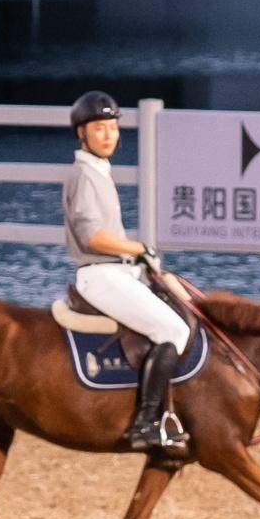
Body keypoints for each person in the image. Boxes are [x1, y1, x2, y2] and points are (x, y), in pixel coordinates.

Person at [63, 90, 192, 457]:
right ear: (81, 134)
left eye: (113, 127)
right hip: (100, 275)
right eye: (99, 128)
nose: (108, 135)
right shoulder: (85, 176)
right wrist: (139, 248)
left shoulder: (99, 171)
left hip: (118, 272)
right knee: (173, 329)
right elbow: (95, 238)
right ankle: (146, 423)